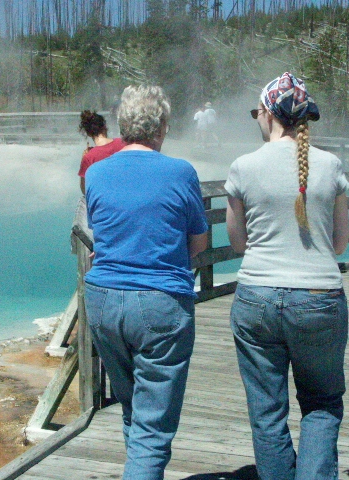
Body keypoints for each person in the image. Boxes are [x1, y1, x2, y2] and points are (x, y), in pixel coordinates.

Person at [224, 72, 349, 480]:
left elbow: (239, 243)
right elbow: (340, 244)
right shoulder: (331, 165)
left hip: (256, 298)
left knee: (267, 411)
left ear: (267, 113)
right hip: (319, 298)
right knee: (321, 403)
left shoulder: (242, 167)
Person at [84, 85, 209, 480]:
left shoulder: (96, 172)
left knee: (133, 409)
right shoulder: (181, 172)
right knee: (152, 428)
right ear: (161, 127)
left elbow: (101, 232)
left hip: (102, 301)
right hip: (161, 303)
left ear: (124, 125)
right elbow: (199, 242)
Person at [77, 110, 126, 194]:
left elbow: (84, 190)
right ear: (105, 127)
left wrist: (83, 160)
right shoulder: (123, 143)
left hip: (106, 198)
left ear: (88, 134)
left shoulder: (89, 157)